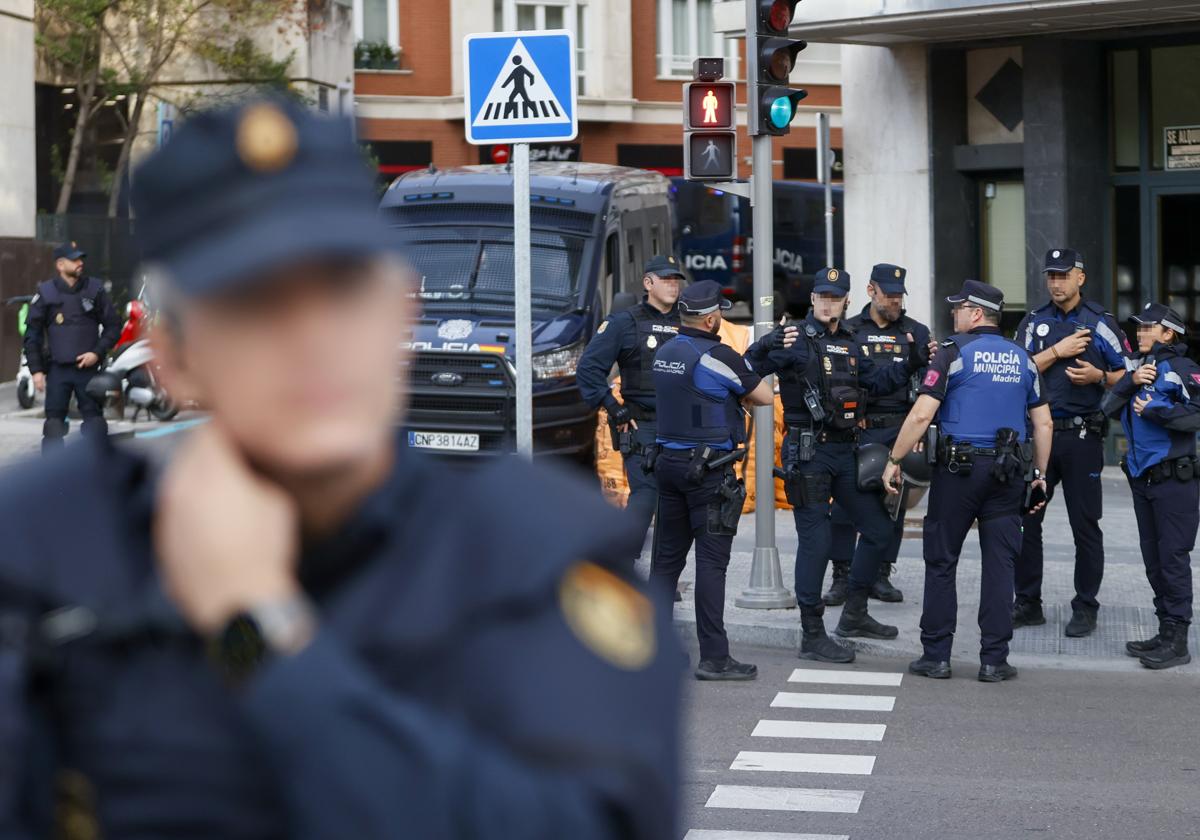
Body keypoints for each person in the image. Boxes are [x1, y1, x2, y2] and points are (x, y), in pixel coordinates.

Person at [0, 98, 682, 838]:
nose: (313, 339)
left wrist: (255, 634)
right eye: (256, 305)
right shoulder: (49, 547)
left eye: (343, 292)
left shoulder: (529, 557)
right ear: (175, 359)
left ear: (400, 311)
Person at [745, 267, 927, 665]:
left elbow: (877, 382)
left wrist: (913, 361)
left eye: (836, 297)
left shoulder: (851, 341)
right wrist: (765, 345)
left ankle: (855, 614)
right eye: (822, 296)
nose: (829, 303)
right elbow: (747, 369)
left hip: (846, 452)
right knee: (818, 542)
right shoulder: (794, 338)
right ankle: (812, 634)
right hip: (808, 454)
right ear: (812, 299)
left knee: (879, 529)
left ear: (847, 301)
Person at [883, 280, 1052, 682]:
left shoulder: (952, 354)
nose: (954, 314)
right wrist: (1040, 475)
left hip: (958, 473)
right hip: (1009, 473)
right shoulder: (1024, 359)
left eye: (959, 308)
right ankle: (994, 660)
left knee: (941, 560)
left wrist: (894, 458)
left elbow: (922, 415)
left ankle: (937, 655)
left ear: (976, 313)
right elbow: (1043, 422)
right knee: (1000, 565)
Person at [649, 280, 774, 681]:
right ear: (711, 318)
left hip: (668, 465)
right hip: (709, 472)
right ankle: (715, 657)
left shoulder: (665, 352)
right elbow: (764, 396)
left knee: (665, 564)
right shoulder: (717, 354)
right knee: (711, 564)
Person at [1011, 248, 1133, 638]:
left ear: (1080, 277)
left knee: (1085, 525)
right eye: (1051, 275)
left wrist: (1099, 375)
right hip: (1039, 436)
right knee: (1027, 521)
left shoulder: (1100, 322)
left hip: (1082, 437)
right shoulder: (1033, 322)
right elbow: (1016, 368)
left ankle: (1085, 606)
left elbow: (1131, 376)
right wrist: (1056, 353)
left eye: (1064, 275)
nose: (1056, 283)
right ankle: (1028, 602)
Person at [824, 263, 932, 606]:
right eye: (889, 294)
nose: (896, 301)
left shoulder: (916, 331)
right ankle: (842, 574)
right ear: (871, 291)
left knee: (893, 505)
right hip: (859, 427)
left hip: (899, 428)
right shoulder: (849, 330)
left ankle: (880, 574)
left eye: (900, 295)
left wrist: (920, 429)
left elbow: (930, 385)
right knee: (843, 506)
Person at [1102, 303, 1200, 670]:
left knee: (1173, 559)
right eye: (1138, 328)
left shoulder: (1182, 369)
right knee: (1154, 561)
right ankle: (1164, 630)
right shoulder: (1139, 369)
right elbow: (1106, 408)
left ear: (1168, 334)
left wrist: (1157, 411)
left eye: (1147, 328)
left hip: (1175, 479)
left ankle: (1178, 641)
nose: (1139, 333)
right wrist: (1130, 381)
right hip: (1144, 481)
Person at [577, 255, 682, 561]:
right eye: (666, 279)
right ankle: (620, 563)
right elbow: (588, 369)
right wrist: (612, 406)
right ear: (648, 283)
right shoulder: (624, 322)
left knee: (672, 502)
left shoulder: (686, 322)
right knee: (647, 496)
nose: (673, 285)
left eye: (676, 280)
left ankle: (663, 576)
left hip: (681, 426)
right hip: (641, 425)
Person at [23, 241, 120, 452]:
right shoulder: (46, 293)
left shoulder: (94, 290)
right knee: (53, 427)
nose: (79, 263)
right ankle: (52, 477)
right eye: (74, 259)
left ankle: (97, 473)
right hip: (58, 370)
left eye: (80, 259)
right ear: (60, 264)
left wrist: (97, 352)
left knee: (95, 426)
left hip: (88, 370)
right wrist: (37, 370)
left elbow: (113, 326)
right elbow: (32, 335)